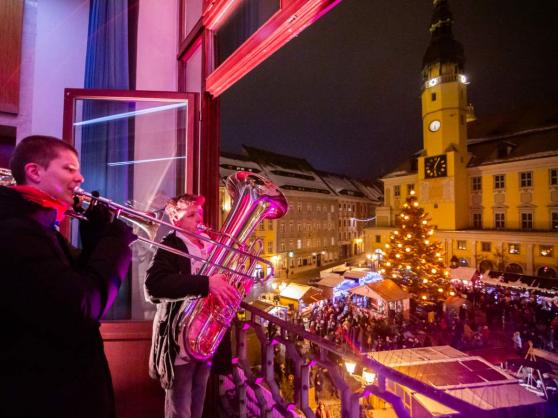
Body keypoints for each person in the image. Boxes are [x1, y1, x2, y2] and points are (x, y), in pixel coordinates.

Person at [0, 135, 135, 418]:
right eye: (69, 168)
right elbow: (82, 307)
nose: (80, 177)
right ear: (34, 172)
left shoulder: (40, 227)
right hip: (46, 396)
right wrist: (114, 246)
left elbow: (69, 289)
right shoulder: (17, 232)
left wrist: (95, 243)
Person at [144, 193, 238, 418]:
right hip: (181, 341)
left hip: (207, 337)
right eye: (192, 215)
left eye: (200, 214)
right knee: (180, 409)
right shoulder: (171, 244)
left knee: (198, 405)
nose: (199, 220)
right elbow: (153, 287)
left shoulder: (210, 244)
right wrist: (206, 283)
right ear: (176, 219)